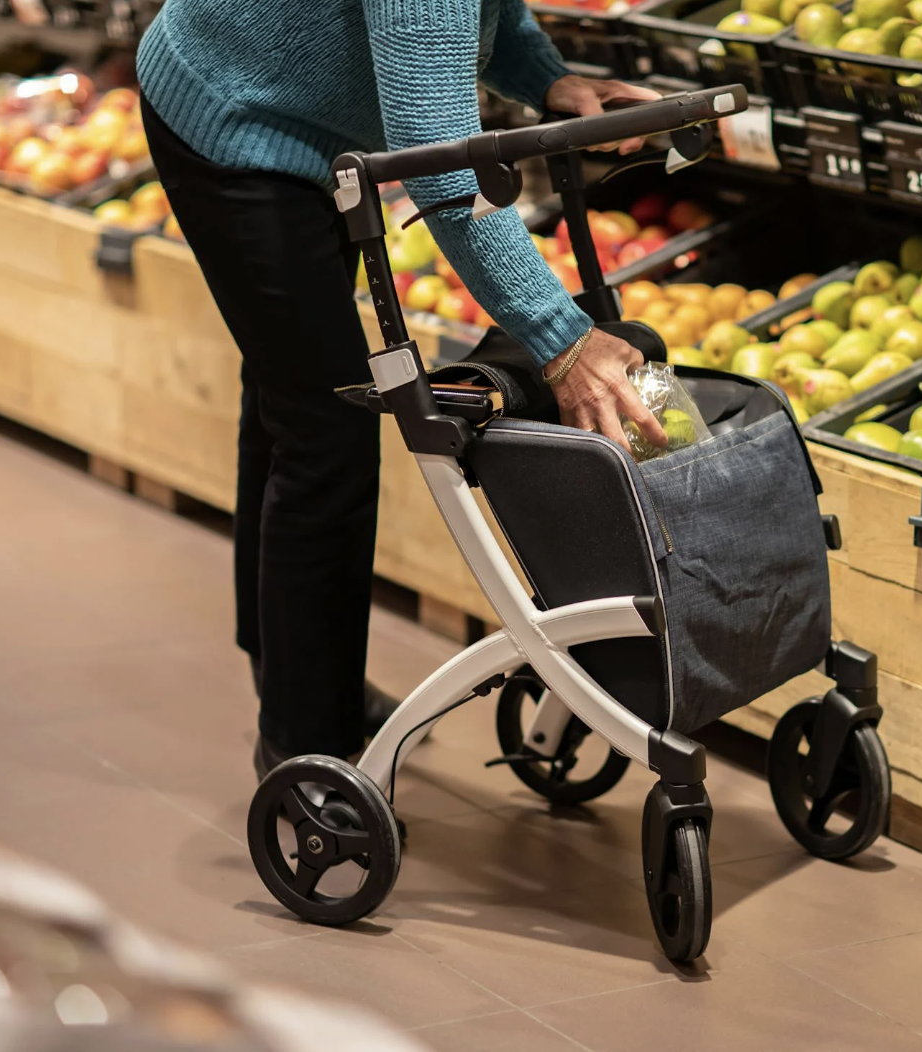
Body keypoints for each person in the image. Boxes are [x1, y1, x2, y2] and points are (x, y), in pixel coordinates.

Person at [135, 0, 668, 778]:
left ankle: (293, 670)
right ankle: (302, 739)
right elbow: (436, 153)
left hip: (305, 127)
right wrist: (562, 338)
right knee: (327, 424)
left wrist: (548, 80)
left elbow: (487, 12)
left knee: (291, 402)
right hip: (227, 117)